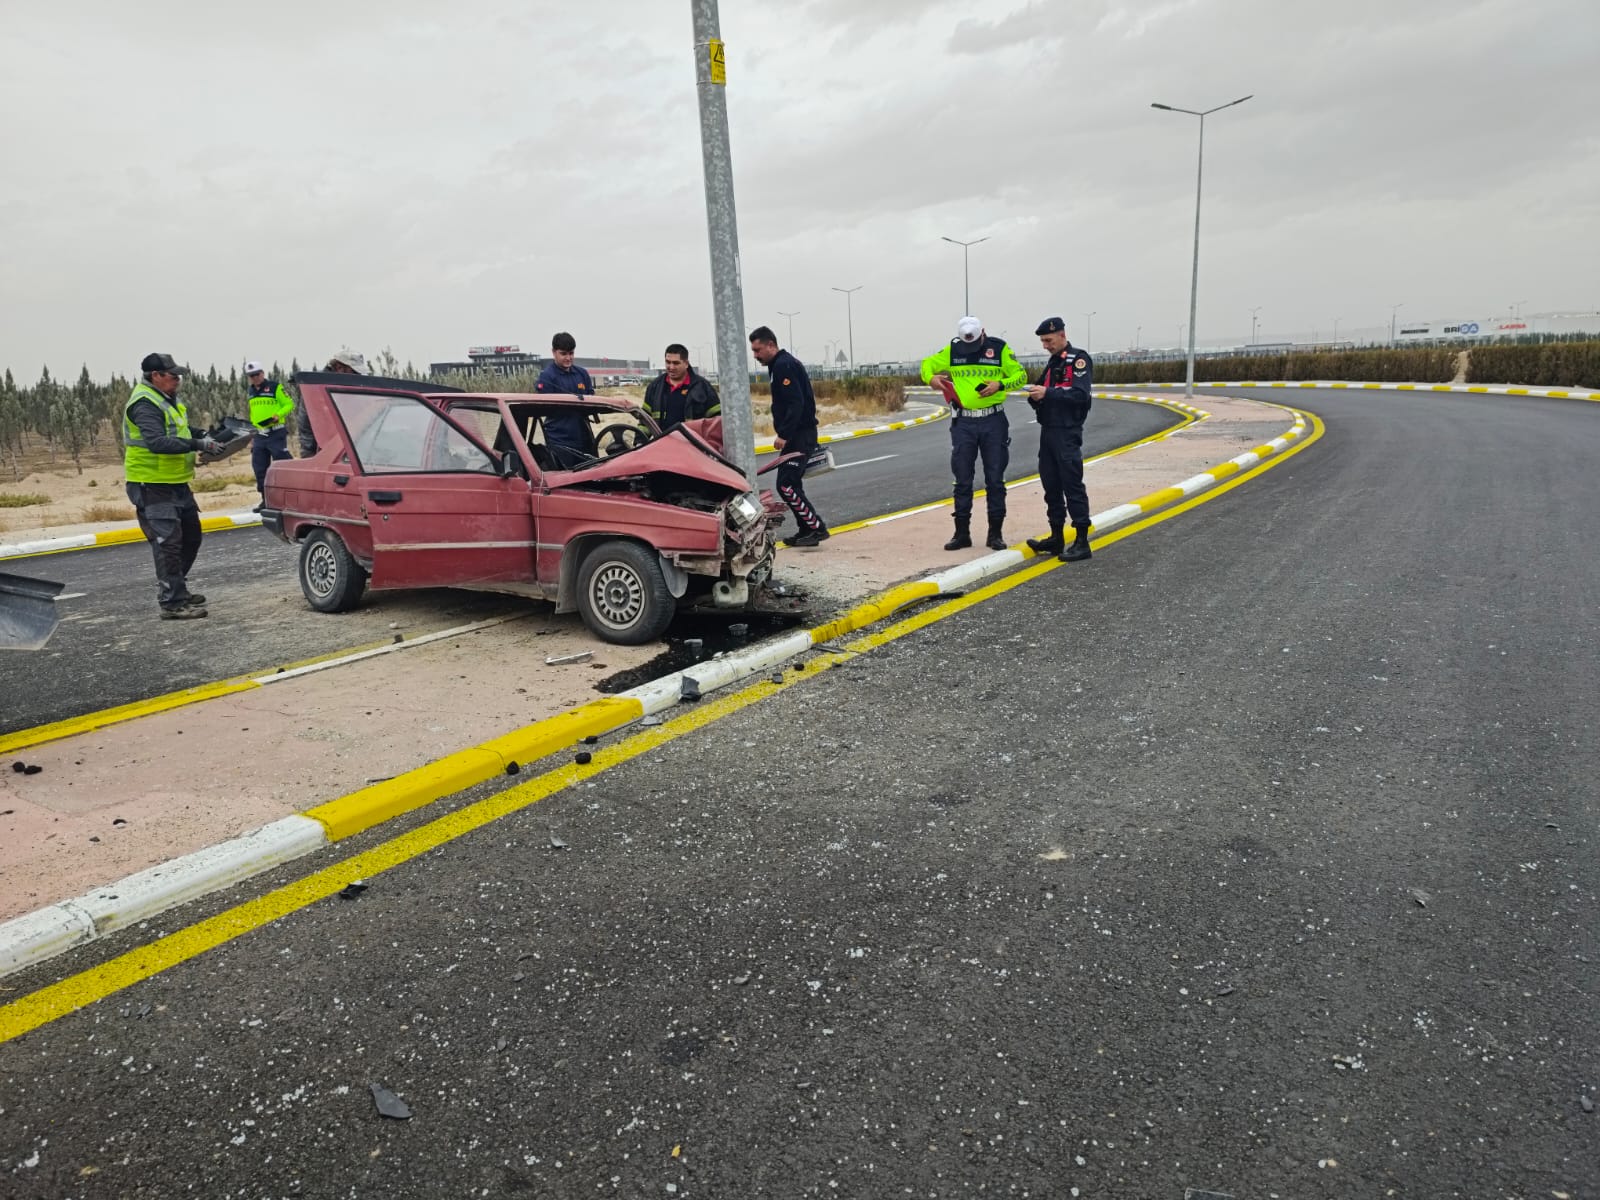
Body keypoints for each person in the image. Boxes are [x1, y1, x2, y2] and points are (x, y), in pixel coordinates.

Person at [122, 353, 225, 620]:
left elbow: (178, 430)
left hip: (176, 482)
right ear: (156, 376)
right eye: (173, 375)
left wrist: (200, 434)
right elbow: (157, 442)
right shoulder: (144, 403)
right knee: (168, 544)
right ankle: (172, 603)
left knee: (191, 537)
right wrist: (197, 444)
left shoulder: (167, 399)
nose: (178, 379)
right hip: (152, 484)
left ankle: (178, 588)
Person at [920, 315, 1027, 551]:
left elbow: (1021, 376)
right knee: (962, 479)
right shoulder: (953, 350)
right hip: (964, 423)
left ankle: (995, 534)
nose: (969, 348)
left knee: (995, 479)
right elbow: (926, 364)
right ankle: (961, 534)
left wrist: (1000, 385)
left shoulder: (999, 349)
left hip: (993, 421)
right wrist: (930, 378)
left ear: (983, 333)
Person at [749, 326, 828, 547]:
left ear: (771, 345)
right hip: (798, 435)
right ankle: (806, 529)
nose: (755, 355)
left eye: (757, 350)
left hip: (799, 435)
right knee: (790, 483)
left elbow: (796, 403)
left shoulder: (784, 365)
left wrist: (784, 434)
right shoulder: (779, 365)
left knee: (786, 484)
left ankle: (816, 528)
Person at [1024, 316, 1093, 562]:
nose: (1045, 345)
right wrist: (1035, 396)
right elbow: (1043, 390)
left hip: (1067, 432)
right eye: (1043, 341)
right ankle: (1056, 537)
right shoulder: (1053, 362)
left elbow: (1080, 394)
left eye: (1049, 340)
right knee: (1051, 486)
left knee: (1072, 486)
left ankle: (1082, 541)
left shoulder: (1078, 359)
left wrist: (1048, 393)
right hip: (1048, 431)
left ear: (1062, 335)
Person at [535, 332, 595, 468]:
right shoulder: (547, 377)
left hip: (584, 438)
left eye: (571, 353)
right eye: (563, 354)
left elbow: (592, 402)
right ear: (553, 352)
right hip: (559, 441)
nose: (568, 358)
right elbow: (545, 408)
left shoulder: (582, 374)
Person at [295, 349, 367, 457]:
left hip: (351, 451)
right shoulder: (316, 386)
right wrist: (309, 455)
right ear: (339, 368)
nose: (358, 376)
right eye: (354, 372)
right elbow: (306, 424)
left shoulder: (352, 388)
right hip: (324, 452)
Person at [244, 360, 294, 508]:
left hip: (275, 432)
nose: (255, 378)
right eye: (251, 376)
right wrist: (252, 433)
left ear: (262, 373)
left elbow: (289, 404)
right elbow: (253, 413)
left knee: (282, 465)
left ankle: (288, 497)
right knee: (259, 468)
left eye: (257, 374)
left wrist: (279, 414)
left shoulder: (275, 387)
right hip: (259, 435)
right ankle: (266, 500)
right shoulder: (250, 391)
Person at [643, 344, 720, 433]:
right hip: (663, 440)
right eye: (668, 362)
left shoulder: (703, 387)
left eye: (676, 363)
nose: (671, 367)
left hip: (693, 441)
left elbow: (717, 421)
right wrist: (639, 440)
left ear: (686, 364)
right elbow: (645, 421)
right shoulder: (655, 387)